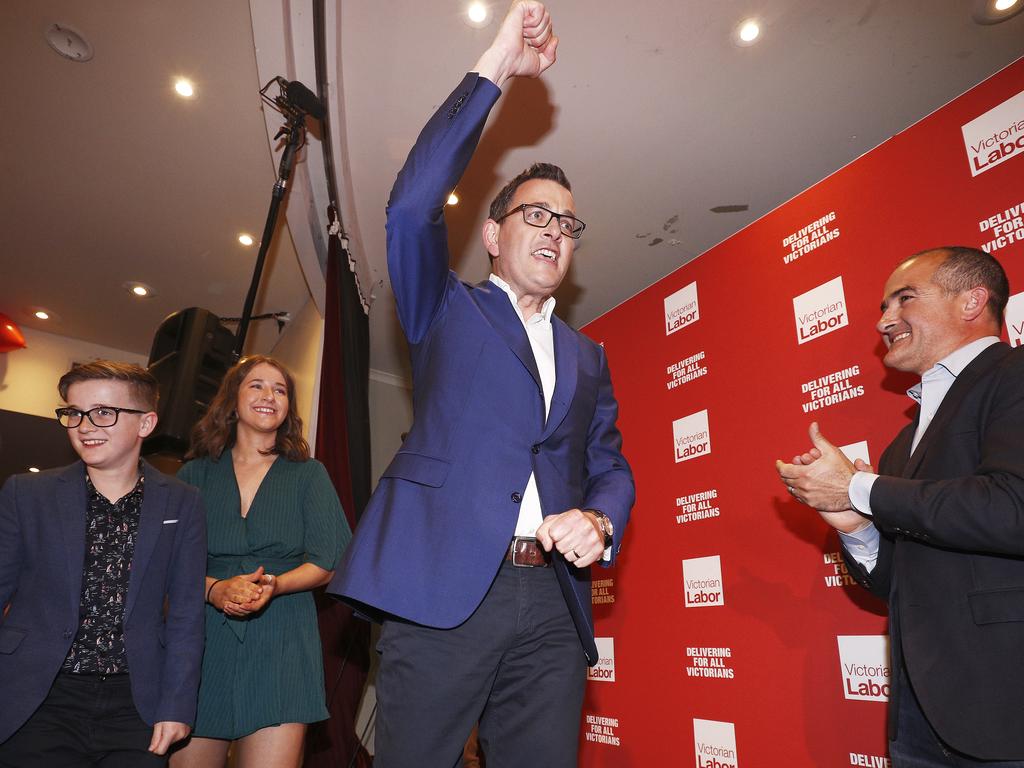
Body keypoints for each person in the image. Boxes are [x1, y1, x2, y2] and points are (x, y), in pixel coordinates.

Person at [328, 3, 635, 766]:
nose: (555, 232)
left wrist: (599, 520)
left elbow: (611, 466)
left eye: (568, 225)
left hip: (553, 605)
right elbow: (409, 205)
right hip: (443, 587)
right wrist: (496, 63)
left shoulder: (588, 357)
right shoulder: (447, 308)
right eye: (536, 215)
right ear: (494, 236)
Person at [776, 246, 1024, 765]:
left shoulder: (1014, 375)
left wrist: (859, 489)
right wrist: (853, 527)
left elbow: (1012, 507)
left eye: (904, 299)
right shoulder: (902, 443)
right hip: (921, 714)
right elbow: (900, 581)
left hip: (1006, 706)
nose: (885, 320)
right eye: (883, 307)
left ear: (972, 301)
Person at [0, 361, 206, 766]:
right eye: (74, 413)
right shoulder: (27, 493)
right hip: (36, 698)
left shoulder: (183, 502)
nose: (85, 425)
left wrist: (177, 704)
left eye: (104, 412)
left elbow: (186, 613)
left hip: (137, 704)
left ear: (146, 423)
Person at [170, 355, 351, 768]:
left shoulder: (309, 474)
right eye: (257, 385)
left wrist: (275, 585)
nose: (270, 395)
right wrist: (215, 590)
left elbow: (331, 560)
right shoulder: (193, 476)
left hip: (284, 637)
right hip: (201, 641)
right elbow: (165, 566)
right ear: (232, 401)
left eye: (280, 389)